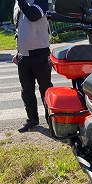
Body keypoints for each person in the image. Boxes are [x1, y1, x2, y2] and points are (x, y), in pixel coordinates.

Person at [13, 0, 53, 133]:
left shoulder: (40, 1)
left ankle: (52, 120)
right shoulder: (18, 3)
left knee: (45, 88)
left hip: (40, 53)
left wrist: (22, 2)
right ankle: (32, 119)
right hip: (23, 56)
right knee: (26, 90)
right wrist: (18, 51)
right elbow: (19, 28)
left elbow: (33, 15)